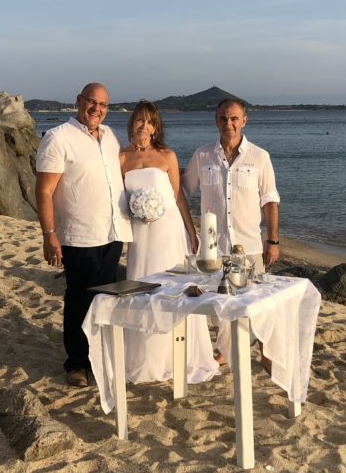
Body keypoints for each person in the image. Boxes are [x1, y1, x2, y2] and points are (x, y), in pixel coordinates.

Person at [35, 83, 133, 387]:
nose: (97, 109)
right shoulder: (58, 138)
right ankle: (76, 363)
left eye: (103, 104)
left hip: (113, 230)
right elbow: (44, 190)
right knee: (79, 299)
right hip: (80, 235)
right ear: (79, 101)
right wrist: (49, 234)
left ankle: (97, 357)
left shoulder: (110, 137)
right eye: (92, 102)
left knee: (105, 298)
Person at [119, 101, 219, 384]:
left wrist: (192, 231)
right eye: (139, 121)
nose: (144, 126)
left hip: (169, 231)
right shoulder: (121, 158)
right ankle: (145, 358)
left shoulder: (167, 156)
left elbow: (178, 197)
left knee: (174, 290)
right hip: (140, 234)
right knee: (142, 289)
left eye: (150, 122)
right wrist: (135, 211)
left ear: (155, 127)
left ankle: (180, 355)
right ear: (132, 124)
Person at [183, 97, 280, 366]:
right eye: (224, 118)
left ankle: (266, 353)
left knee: (259, 302)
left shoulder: (260, 157)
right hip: (215, 247)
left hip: (249, 246)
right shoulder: (202, 156)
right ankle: (225, 351)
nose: (229, 124)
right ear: (216, 121)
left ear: (244, 120)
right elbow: (182, 190)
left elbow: (270, 200)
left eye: (234, 118)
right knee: (219, 304)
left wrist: (272, 240)